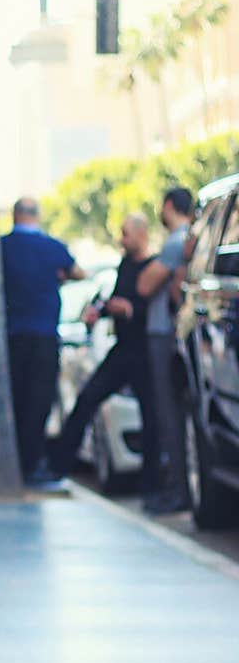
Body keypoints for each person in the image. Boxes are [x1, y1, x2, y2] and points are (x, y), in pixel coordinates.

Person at [45, 214, 158, 493]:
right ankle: (59, 465)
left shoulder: (154, 267)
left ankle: (152, 484)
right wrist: (102, 310)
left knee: (152, 416)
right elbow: (116, 299)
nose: (122, 239)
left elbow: (152, 309)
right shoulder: (126, 264)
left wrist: (130, 310)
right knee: (87, 399)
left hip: (143, 351)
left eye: (126, 233)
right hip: (122, 350)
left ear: (141, 234)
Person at [1, 197, 85, 485]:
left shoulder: (2, 247)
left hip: (12, 335)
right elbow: (78, 272)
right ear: (37, 216)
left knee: (17, 398)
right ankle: (32, 462)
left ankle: (14, 459)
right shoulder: (53, 248)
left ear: (15, 215)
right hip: (44, 334)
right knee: (39, 402)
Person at [136, 186, 194, 515]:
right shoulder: (186, 241)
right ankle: (179, 488)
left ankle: (178, 491)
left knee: (169, 414)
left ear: (168, 205)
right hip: (177, 334)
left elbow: (146, 285)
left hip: (164, 334)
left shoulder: (176, 242)